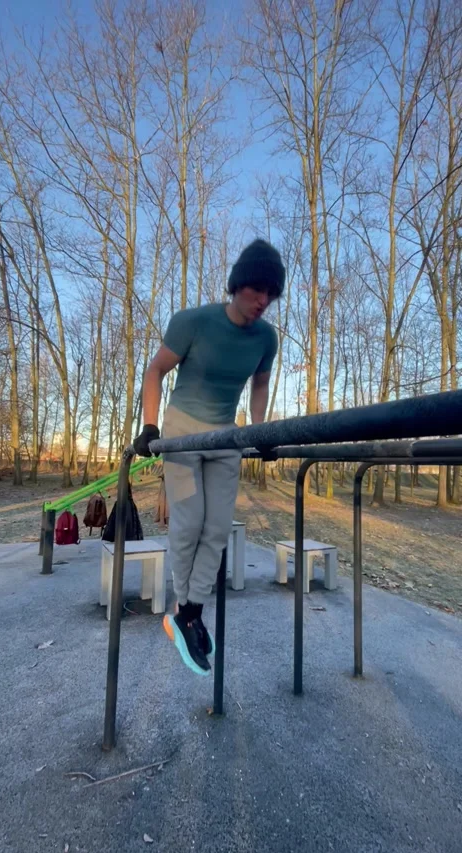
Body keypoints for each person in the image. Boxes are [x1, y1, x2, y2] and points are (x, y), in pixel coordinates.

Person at [134, 239, 285, 676]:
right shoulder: (193, 322)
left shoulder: (265, 338)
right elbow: (155, 369)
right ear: (238, 284)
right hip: (181, 432)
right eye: (257, 290)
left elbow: (259, 383)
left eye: (271, 295)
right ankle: (182, 610)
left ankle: (190, 613)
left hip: (225, 436)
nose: (263, 302)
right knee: (189, 524)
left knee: (217, 529)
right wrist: (150, 426)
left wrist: (258, 429)